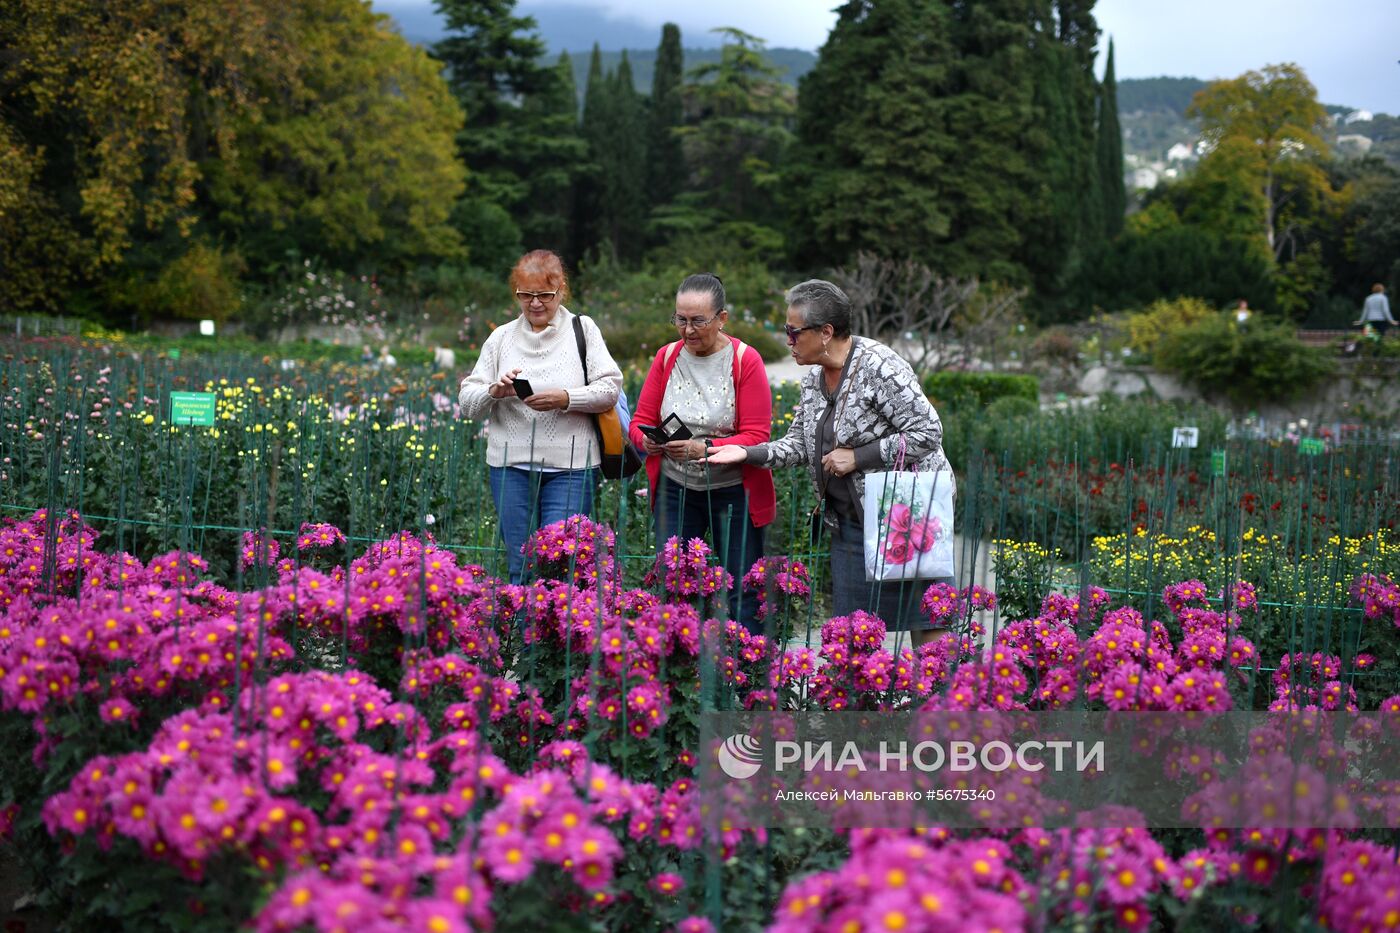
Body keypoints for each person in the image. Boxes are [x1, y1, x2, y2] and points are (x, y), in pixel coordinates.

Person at [706, 279, 954, 648]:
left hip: (907, 518)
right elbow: (797, 445)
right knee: (853, 636)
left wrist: (857, 458)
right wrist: (747, 453)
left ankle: (937, 705)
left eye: (793, 332)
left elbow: (928, 431)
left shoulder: (878, 366)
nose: (787, 341)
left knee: (927, 620)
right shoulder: (813, 381)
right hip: (851, 525)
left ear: (825, 332)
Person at [459, 250, 622, 583]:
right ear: (516, 293)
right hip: (509, 469)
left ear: (561, 290)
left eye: (544, 295)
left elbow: (610, 388)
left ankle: (554, 635)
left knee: (559, 568)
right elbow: (467, 404)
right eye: (526, 295)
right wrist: (495, 391)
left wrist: (566, 398)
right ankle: (522, 636)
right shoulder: (501, 337)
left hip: (571, 470)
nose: (535, 303)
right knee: (520, 567)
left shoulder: (583, 329)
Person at [630, 273, 775, 633]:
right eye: (681, 319)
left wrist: (703, 448)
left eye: (698, 321)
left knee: (743, 589)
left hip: (733, 490)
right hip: (675, 489)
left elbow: (757, 436)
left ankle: (744, 677)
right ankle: (681, 677)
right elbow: (640, 421)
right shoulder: (666, 357)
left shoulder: (745, 360)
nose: (688, 330)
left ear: (722, 318)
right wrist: (646, 441)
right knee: (676, 587)